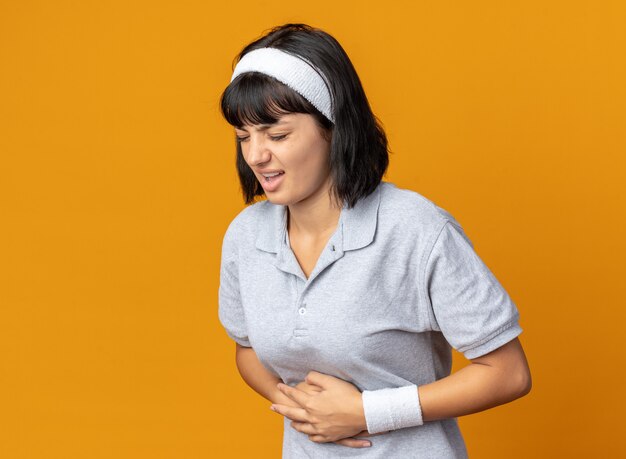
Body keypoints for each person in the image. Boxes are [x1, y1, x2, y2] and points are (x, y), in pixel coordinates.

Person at [217, 23, 532, 458]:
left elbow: (508, 373)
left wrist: (367, 413)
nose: (255, 155)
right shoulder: (246, 237)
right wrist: (298, 406)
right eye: (242, 136)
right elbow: (247, 349)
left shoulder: (414, 227)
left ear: (333, 127)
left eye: (277, 135)